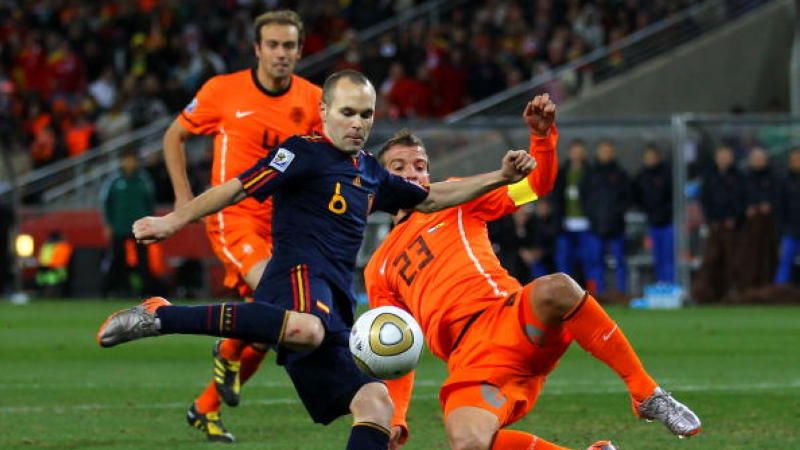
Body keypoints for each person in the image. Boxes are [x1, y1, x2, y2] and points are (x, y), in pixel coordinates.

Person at [96, 70, 537, 450]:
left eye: (366, 114)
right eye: (348, 112)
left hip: (336, 303)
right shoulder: (302, 153)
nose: (358, 123)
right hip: (296, 278)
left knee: (376, 406)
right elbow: (237, 187)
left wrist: (500, 177)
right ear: (324, 111)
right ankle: (163, 315)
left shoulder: (370, 170)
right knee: (306, 328)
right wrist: (174, 220)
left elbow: (431, 196)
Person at [363, 94, 701, 450]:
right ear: (381, 180)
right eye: (398, 168)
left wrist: (542, 139)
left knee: (558, 287)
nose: (412, 173)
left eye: (419, 165)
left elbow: (534, 186)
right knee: (468, 443)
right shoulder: (378, 267)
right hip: (470, 362)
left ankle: (645, 392)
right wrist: (396, 419)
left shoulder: (456, 199)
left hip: (511, 317)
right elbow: (394, 352)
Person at [160, 10, 324, 442]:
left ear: (299, 50)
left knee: (280, 323)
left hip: (285, 227)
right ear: (257, 49)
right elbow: (173, 136)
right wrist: (182, 201)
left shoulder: (311, 100)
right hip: (234, 220)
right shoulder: (222, 91)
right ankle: (228, 351)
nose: (281, 54)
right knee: (276, 304)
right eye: (272, 45)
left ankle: (206, 404)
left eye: (289, 46)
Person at [100, 148, 156, 297]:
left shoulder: (144, 180)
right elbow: (106, 204)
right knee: (118, 259)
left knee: (143, 260)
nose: (129, 163)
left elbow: (150, 203)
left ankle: (145, 291)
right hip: (119, 227)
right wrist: (108, 224)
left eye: (131, 159)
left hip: (140, 228)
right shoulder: (114, 181)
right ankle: (120, 289)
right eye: (126, 159)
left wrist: (151, 223)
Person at [692, 145, 745, 302]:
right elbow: (705, 200)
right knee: (711, 259)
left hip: (732, 226)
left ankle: (734, 291)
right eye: (721, 156)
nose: (723, 159)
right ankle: (709, 293)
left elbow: (741, 198)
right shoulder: (709, 177)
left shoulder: (739, 177)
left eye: (726, 155)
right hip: (714, 225)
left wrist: (734, 217)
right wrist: (711, 219)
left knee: (733, 260)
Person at [581, 140, 630, 297]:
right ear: (597, 152)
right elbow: (584, 198)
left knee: (620, 262)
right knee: (595, 262)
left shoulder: (621, 174)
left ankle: (621, 294)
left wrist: (617, 214)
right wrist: (591, 215)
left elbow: (627, 198)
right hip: (595, 226)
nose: (606, 154)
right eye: (603, 150)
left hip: (617, 226)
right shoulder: (589, 174)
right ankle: (597, 295)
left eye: (609, 151)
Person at [552, 139, 593, 288]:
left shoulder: (591, 173)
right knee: (564, 260)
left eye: (580, 152)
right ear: (570, 153)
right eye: (574, 152)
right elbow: (555, 198)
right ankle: (566, 291)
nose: (577, 155)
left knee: (588, 259)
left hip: (586, 224)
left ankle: (591, 292)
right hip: (565, 224)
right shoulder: (561, 173)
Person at [737, 147, 779, 292]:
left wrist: (770, 205)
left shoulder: (774, 178)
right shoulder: (744, 178)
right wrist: (746, 209)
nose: (759, 162)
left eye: (761, 159)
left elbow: (780, 198)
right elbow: (738, 199)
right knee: (749, 257)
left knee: (770, 257)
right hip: (749, 225)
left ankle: (771, 288)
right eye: (756, 159)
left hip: (771, 226)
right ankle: (748, 288)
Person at [631, 144, 674, 283]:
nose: (650, 160)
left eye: (653, 157)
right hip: (652, 222)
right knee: (657, 257)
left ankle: (671, 285)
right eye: (647, 158)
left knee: (668, 256)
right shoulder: (641, 176)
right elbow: (635, 196)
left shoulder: (668, 174)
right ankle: (661, 284)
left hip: (669, 221)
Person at [774, 148, 800, 285]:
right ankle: (780, 292)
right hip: (789, 230)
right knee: (785, 261)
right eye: (794, 159)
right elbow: (779, 207)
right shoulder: (783, 181)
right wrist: (783, 228)